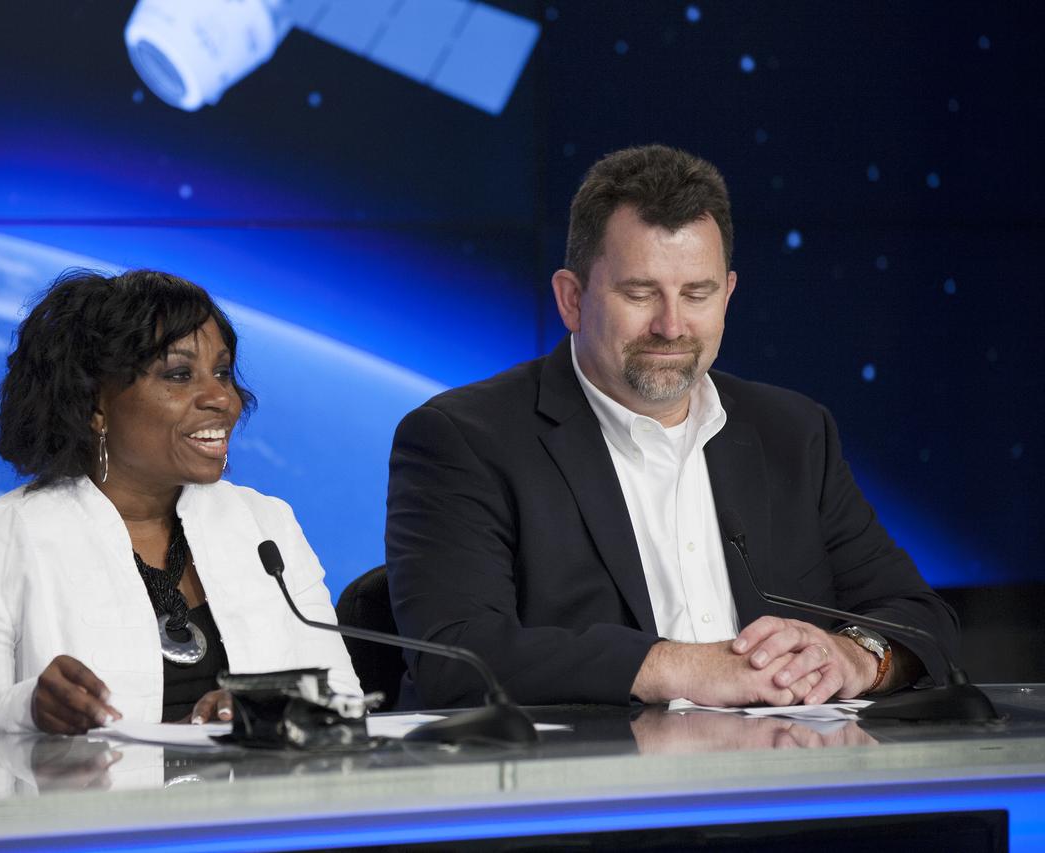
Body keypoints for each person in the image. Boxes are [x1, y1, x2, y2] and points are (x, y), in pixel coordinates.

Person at [386, 144, 958, 710]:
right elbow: (452, 657)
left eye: (697, 294)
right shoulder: (462, 439)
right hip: (592, 789)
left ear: (727, 296)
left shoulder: (794, 431)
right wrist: (680, 667)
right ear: (572, 299)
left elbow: (919, 617)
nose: (672, 325)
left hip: (792, 778)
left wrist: (853, 656)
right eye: (640, 293)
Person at [0, 269, 360, 739]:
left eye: (222, 371)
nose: (222, 397)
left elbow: (343, 704)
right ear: (95, 403)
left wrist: (264, 708)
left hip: (249, 810)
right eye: (179, 374)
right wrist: (27, 711)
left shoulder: (265, 525)